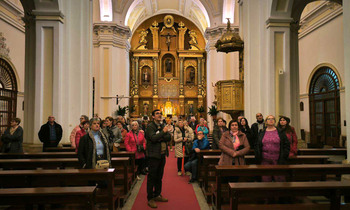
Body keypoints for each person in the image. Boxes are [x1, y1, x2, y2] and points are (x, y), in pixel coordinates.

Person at [145, 109, 171, 208]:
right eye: (157, 114)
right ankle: (150, 198)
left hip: (162, 154)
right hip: (153, 155)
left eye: (160, 113)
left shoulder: (162, 125)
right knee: (152, 177)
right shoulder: (150, 127)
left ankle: (157, 194)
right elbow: (153, 138)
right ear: (153, 116)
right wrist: (162, 133)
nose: (159, 115)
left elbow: (168, 137)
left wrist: (161, 135)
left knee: (159, 176)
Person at [255, 115, 290, 182]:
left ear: (274, 121)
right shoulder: (261, 132)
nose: (271, 120)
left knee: (279, 180)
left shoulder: (280, 132)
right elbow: (257, 145)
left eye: (272, 119)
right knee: (266, 180)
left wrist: (284, 156)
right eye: (269, 119)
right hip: (265, 160)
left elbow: (286, 145)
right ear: (266, 121)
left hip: (278, 160)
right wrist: (258, 156)